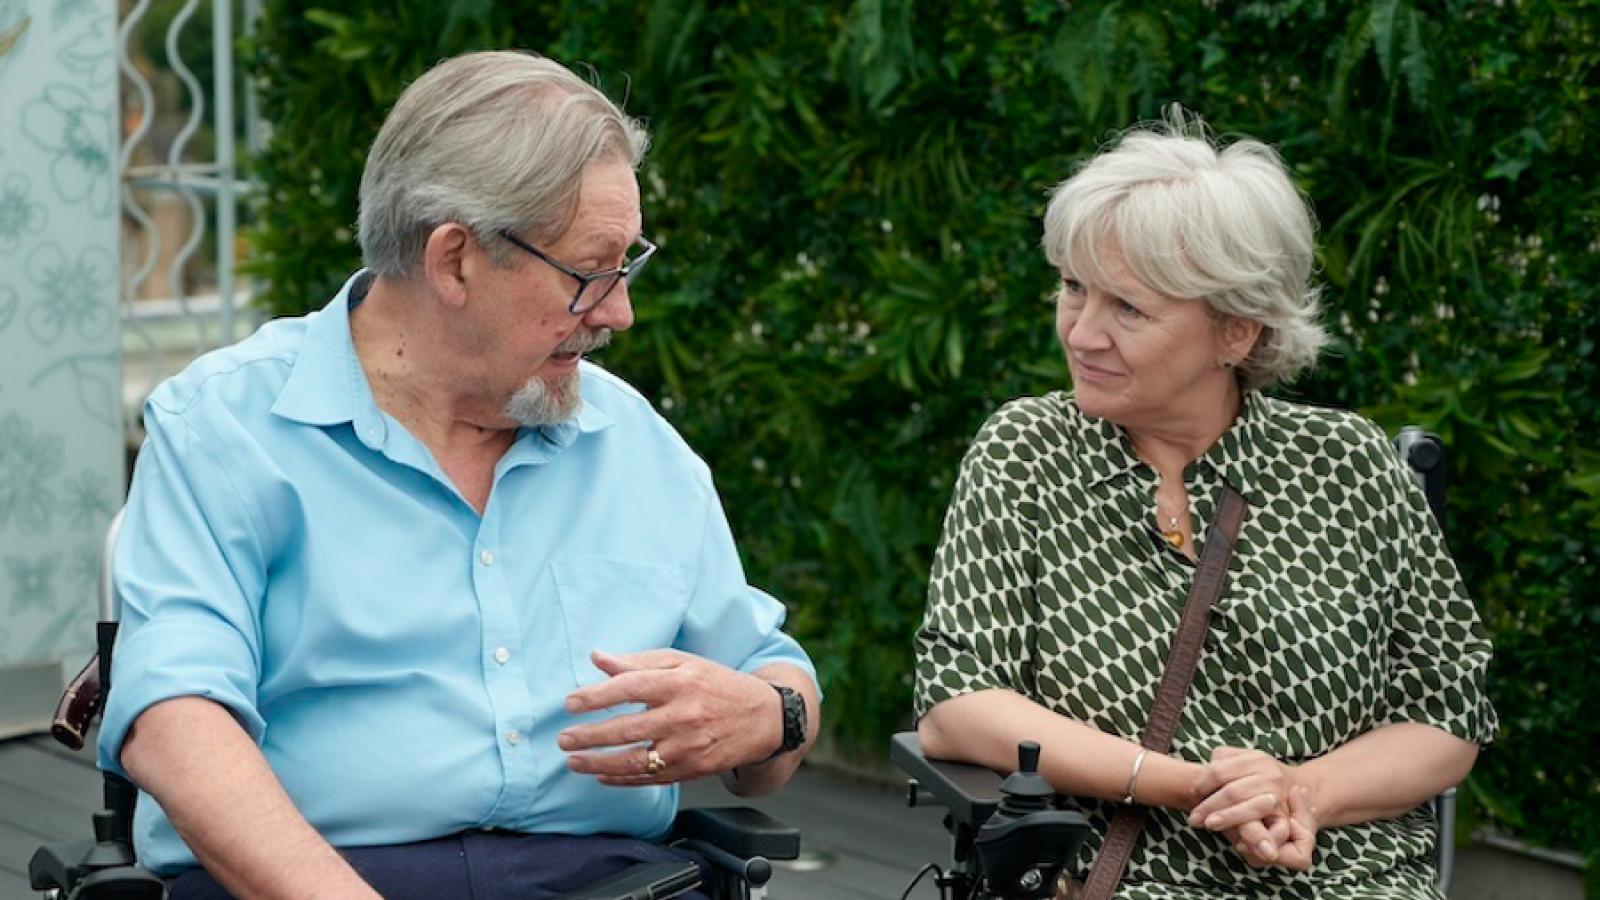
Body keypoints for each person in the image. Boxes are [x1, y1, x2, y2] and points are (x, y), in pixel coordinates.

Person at [97, 50, 820, 900]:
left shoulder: (634, 444)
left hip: (606, 882)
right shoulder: (228, 427)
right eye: (592, 273)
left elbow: (769, 669)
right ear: (454, 261)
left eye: (629, 265)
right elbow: (174, 721)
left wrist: (772, 716)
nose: (620, 312)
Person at [913, 111, 1495, 899]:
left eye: (1128, 308)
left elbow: (1447, 709)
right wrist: (1190, 785)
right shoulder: (1027, 452)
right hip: (1119, 879)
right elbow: (958, 703)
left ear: (1236, 332)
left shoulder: (1348, 464)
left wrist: (1301, 793)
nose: (1082, 332)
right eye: (1073, 287)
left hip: (1349, 879)